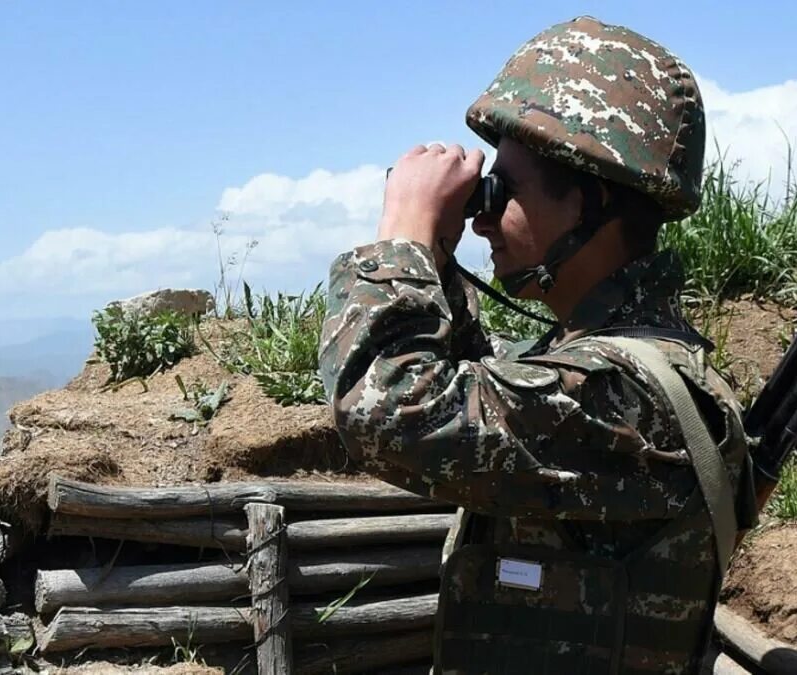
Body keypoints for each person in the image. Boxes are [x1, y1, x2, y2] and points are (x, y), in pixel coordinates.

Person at [319, 16, 753, 674]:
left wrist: (403, 233)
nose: (483, 215)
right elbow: (485, 386)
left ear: (588, 202)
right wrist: (435, 262)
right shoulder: (599, 357)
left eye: (504, 190)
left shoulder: (631, 395)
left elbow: (387, 410)